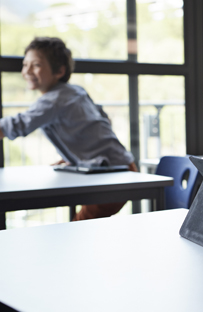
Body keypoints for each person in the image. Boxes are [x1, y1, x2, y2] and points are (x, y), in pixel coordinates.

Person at [0, 37, 137, 221]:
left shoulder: (53, 100)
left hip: (112, 173)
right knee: (80, 225)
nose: (27, 71)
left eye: (36, 65)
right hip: (119, 165)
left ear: (59, 71)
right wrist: (76, 158)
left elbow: (17, 125)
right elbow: (101, 121)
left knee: (79, 227)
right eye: (25, 65)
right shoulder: (75, 91)